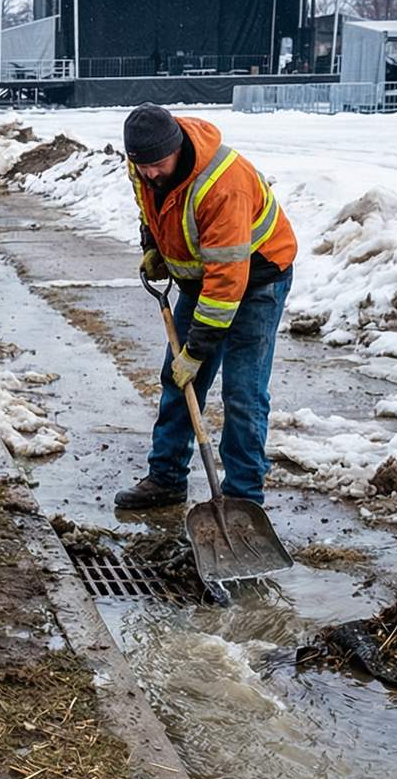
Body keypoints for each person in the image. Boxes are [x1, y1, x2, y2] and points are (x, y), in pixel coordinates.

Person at [113, 103, 298, 510]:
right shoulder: (142, 167)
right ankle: (166, 478)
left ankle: (243, 499)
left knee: (243, 392)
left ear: (176, 148)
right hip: (204, 277)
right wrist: (153, 245)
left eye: (158, 165)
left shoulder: (222, 185)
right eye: (143, 166)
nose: (150, 174)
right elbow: (150, 207)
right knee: (178, 380)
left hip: (258, 278)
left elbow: (227, 283)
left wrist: (195, 352)